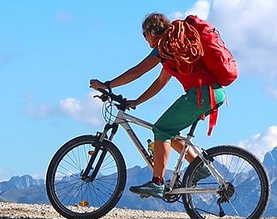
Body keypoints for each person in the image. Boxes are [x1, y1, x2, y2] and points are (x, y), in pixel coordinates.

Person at [89, 12, 226, 198]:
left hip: (201, 94)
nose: (145, 39)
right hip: (212, 93)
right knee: (168, 131)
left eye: (144, 35)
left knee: (161, 129)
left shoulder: (164, 47)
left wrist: (107, 85)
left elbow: (137, 71)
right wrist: (137, 101)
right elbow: (160, 82)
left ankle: (158, 183)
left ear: (151, 32)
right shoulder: (173, 48)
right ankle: (198, 166)